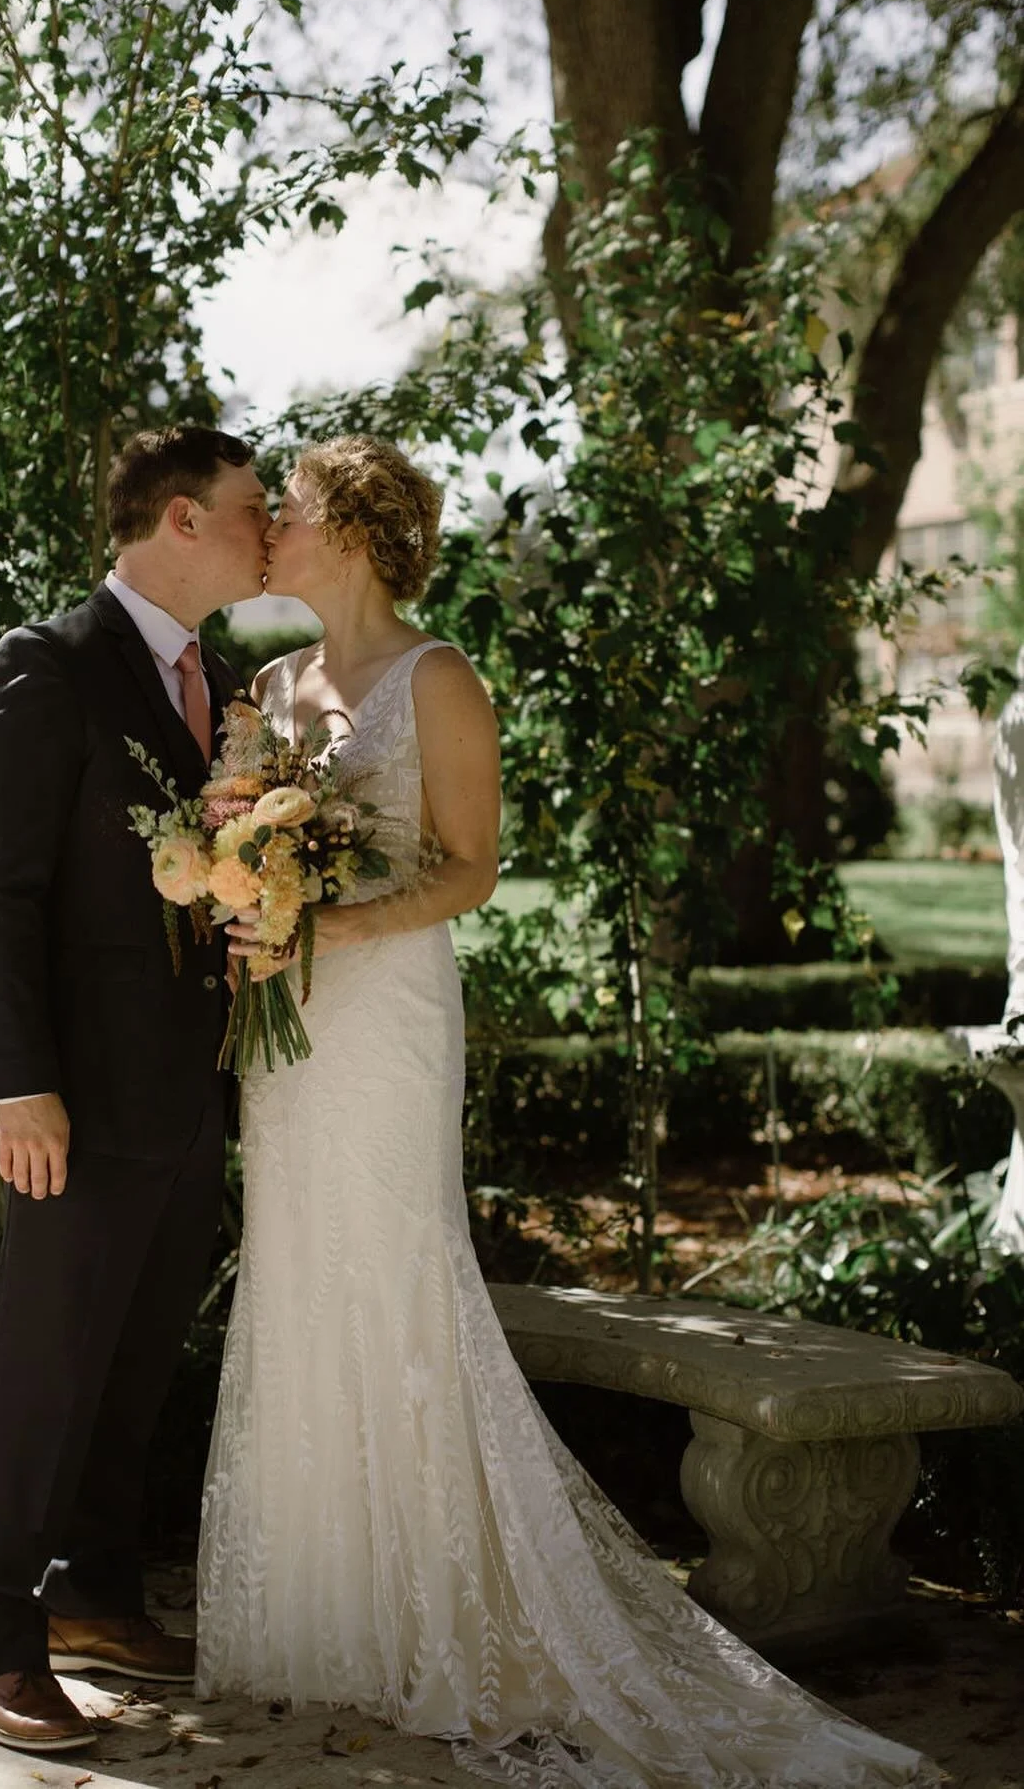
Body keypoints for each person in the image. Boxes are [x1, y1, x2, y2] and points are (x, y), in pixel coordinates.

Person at [197, 435, 942, 1788]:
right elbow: (238, 839)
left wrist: (332, 920)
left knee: (394, 1273)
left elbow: (472, 871)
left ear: (350, 532)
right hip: (288, 1032)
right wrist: (244, 896)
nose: (269, 528)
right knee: (299, 1276)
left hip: (387, 1020)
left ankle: (445, 1616)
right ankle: (332, 1619)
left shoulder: (439, 679)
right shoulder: (269, 686)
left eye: (288, 509)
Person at [0, 425, 268, 1753]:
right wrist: (19, 1085)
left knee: (134, 1363)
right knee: (42, 1367)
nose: (269, 526)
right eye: (252, 506)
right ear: (181, 518)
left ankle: (92, 1596)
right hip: (73, 1100)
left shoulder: (226, 684)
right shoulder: (49, 662)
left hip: (194, 1092)